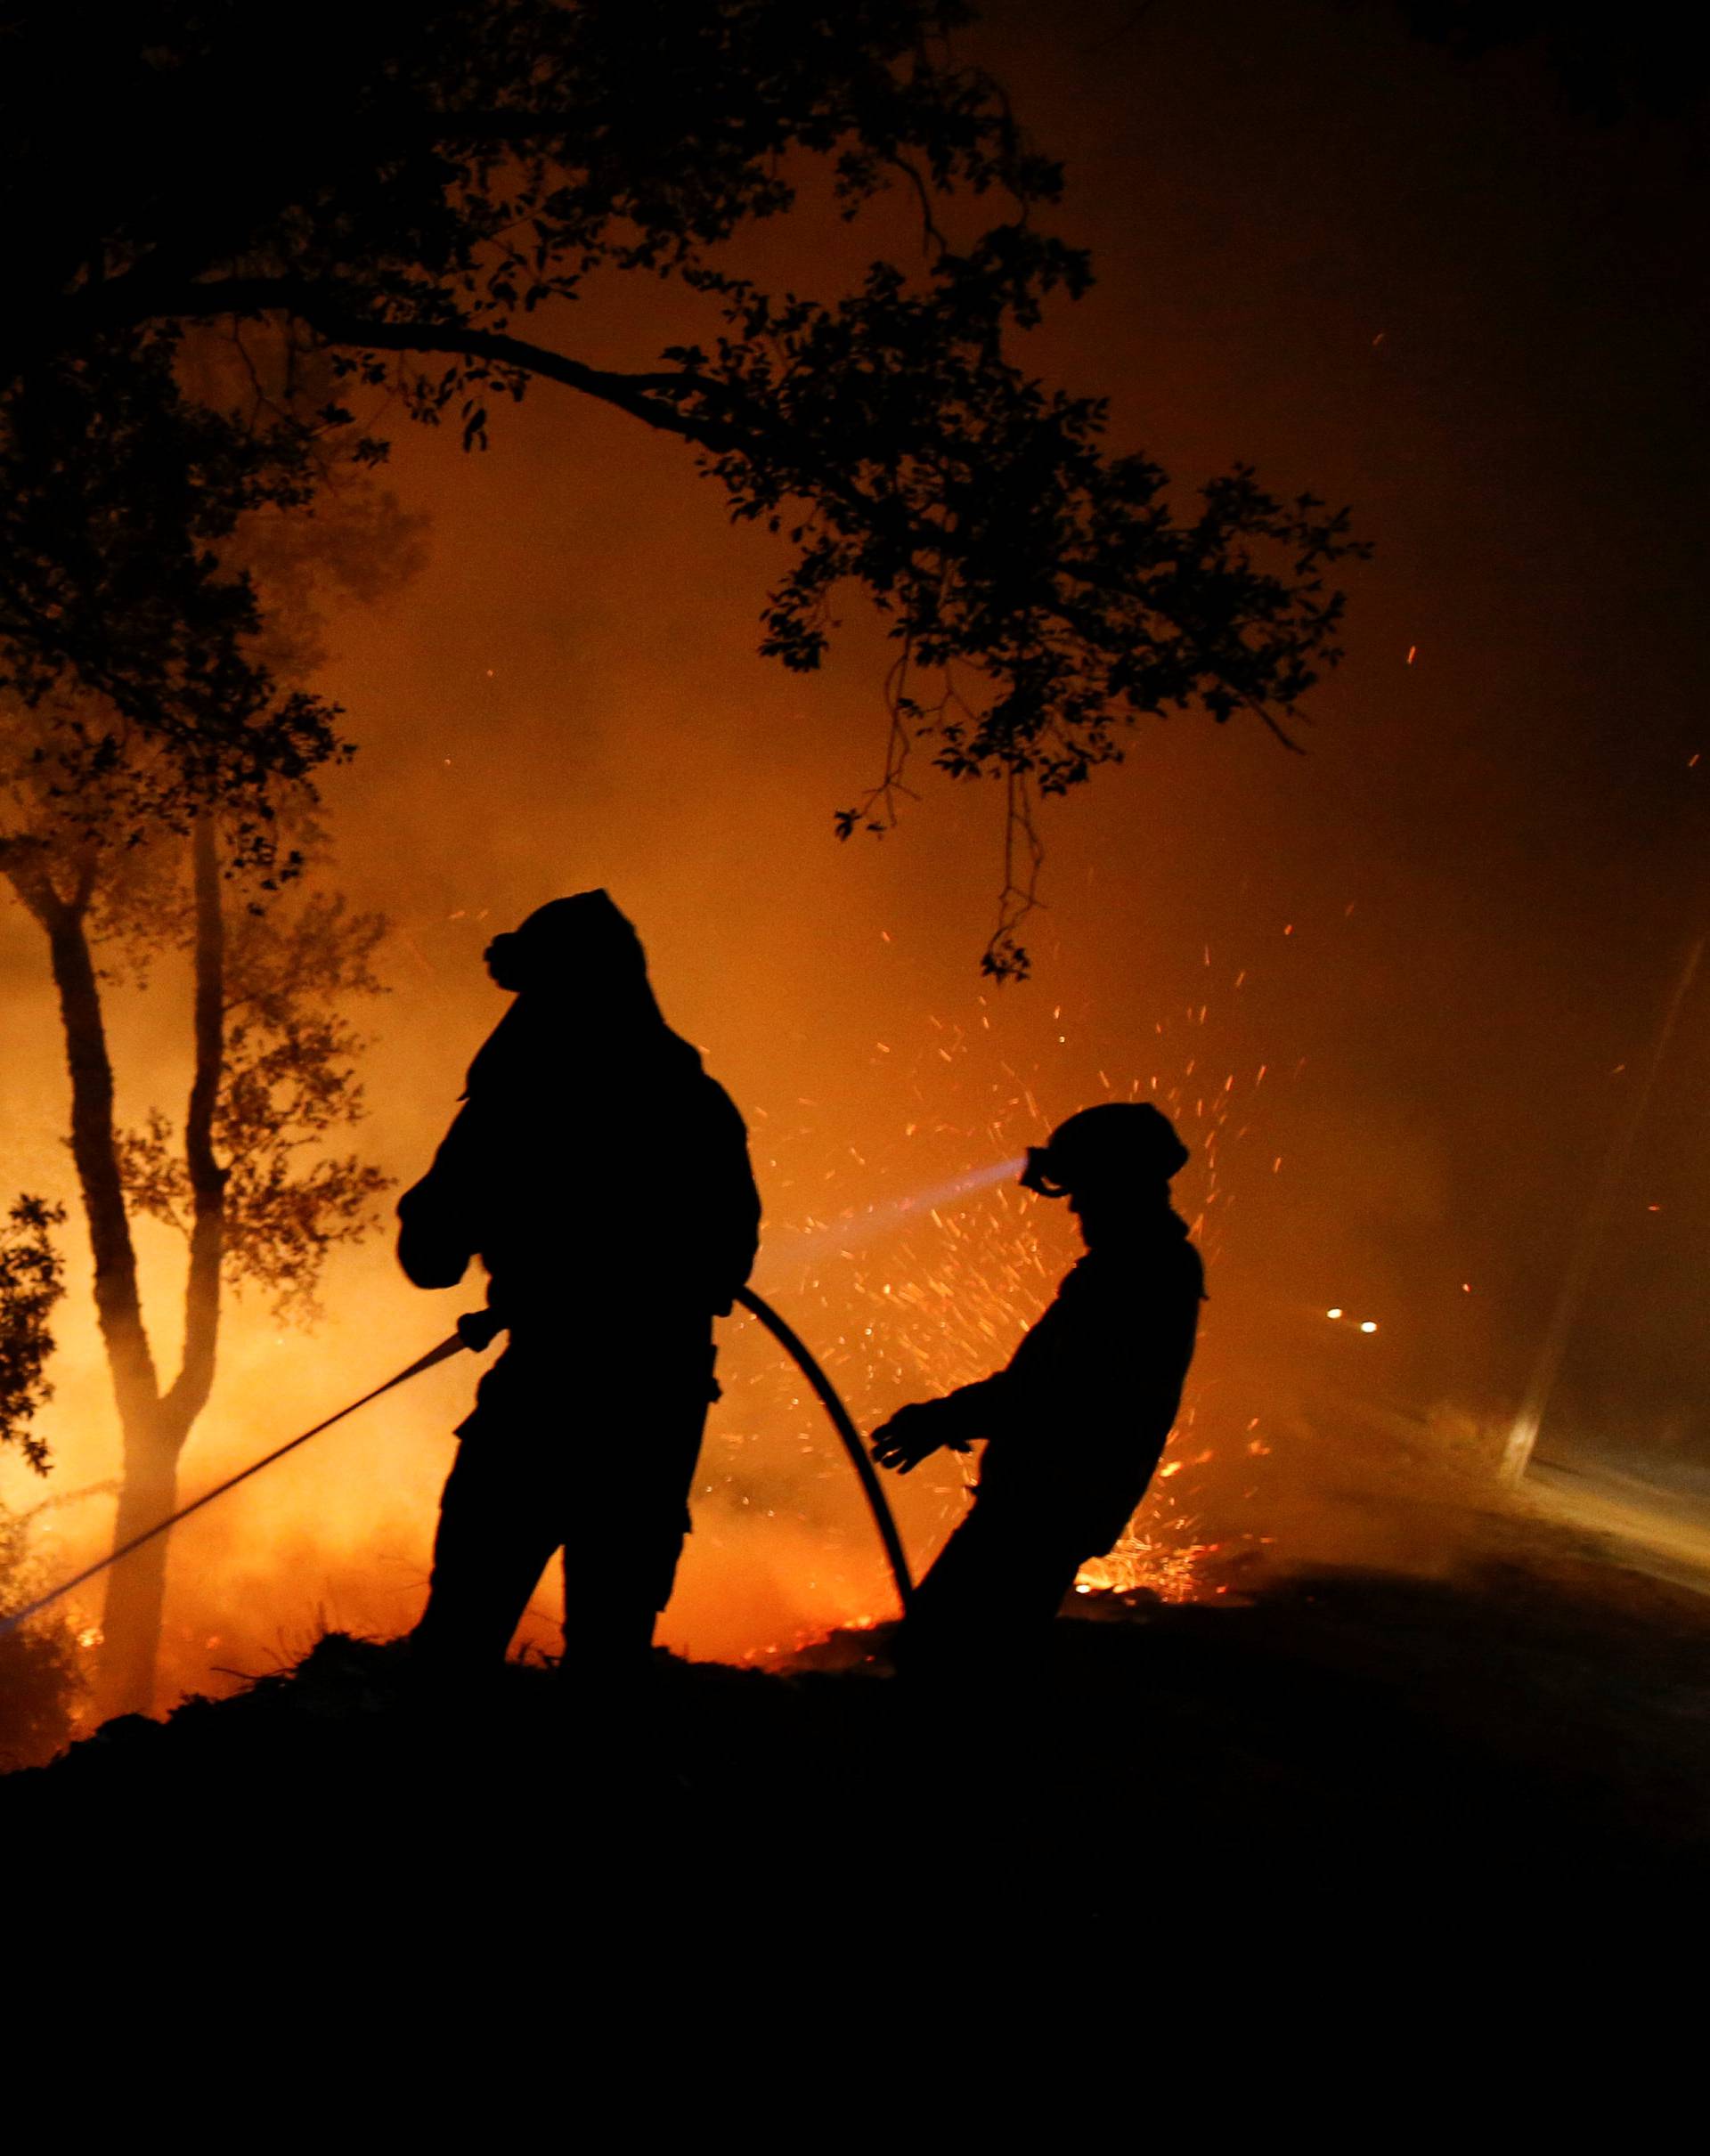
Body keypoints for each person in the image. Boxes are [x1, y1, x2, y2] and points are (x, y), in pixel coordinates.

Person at [396, 890, 761, 1674]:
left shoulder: (516, 1103)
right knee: (609, 1651)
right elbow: (730, 1259)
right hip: (656, 1407)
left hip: (545, 1395)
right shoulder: (697, 1104)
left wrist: (446, 1215)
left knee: (460, 1638)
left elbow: (432, 1258)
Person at [870, 1102, 1204, 1676]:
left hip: (1044, 1506)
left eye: (1085, 1188)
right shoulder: (1147, 1265)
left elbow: (1055, 1392)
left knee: (944, 1659)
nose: (1075, 1205)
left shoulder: (1134, 1274)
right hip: (1057, 1503)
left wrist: (941, 1420)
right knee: (968, 1657)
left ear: (1119, 1182)